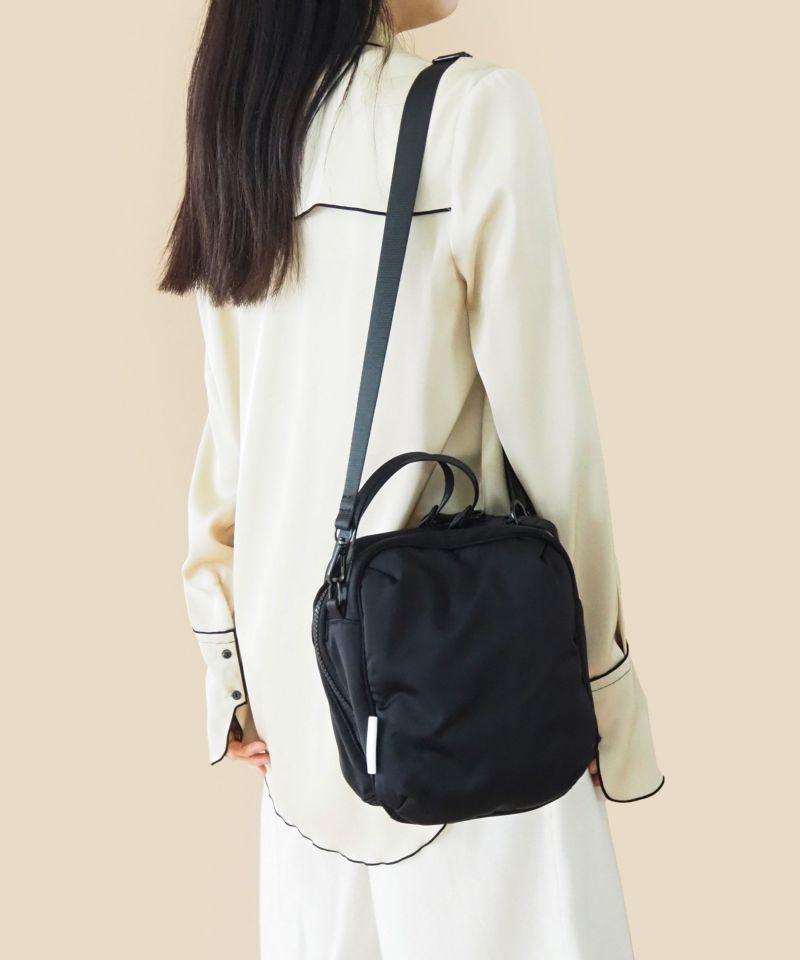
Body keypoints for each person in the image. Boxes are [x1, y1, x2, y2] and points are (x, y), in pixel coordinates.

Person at [160, 1, 664, 957]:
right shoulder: (471, 114)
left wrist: (227, 673)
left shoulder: (246, 128)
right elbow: (554, 441)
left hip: (303, 713)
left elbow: (231, 437)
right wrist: (602, 692)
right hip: (468, 689)